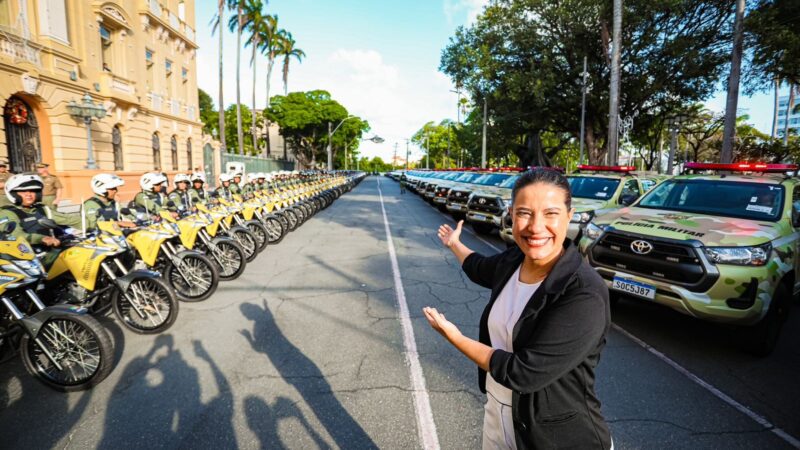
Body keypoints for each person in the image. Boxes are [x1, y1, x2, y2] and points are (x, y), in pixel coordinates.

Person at [425, 168, 612, 450]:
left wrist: (455, 337)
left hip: (557, 436)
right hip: (499, 415)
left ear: (569, 217)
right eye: (525, 213)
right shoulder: (514, 260)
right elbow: (479, 268)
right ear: (511, 214)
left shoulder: (583, 292)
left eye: (550, 214)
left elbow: (523, 372)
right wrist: (455, 244)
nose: (536, 227)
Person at [0, 173, 80, 267]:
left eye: (32, 191)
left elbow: (68, 219)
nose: (29, 194)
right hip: (27, 261)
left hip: (50, 253)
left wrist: (92, 224)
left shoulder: (42, 209)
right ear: (14, 194)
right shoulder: (7, 213)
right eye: (23, 191)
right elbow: (16, 235)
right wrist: (42, 239)